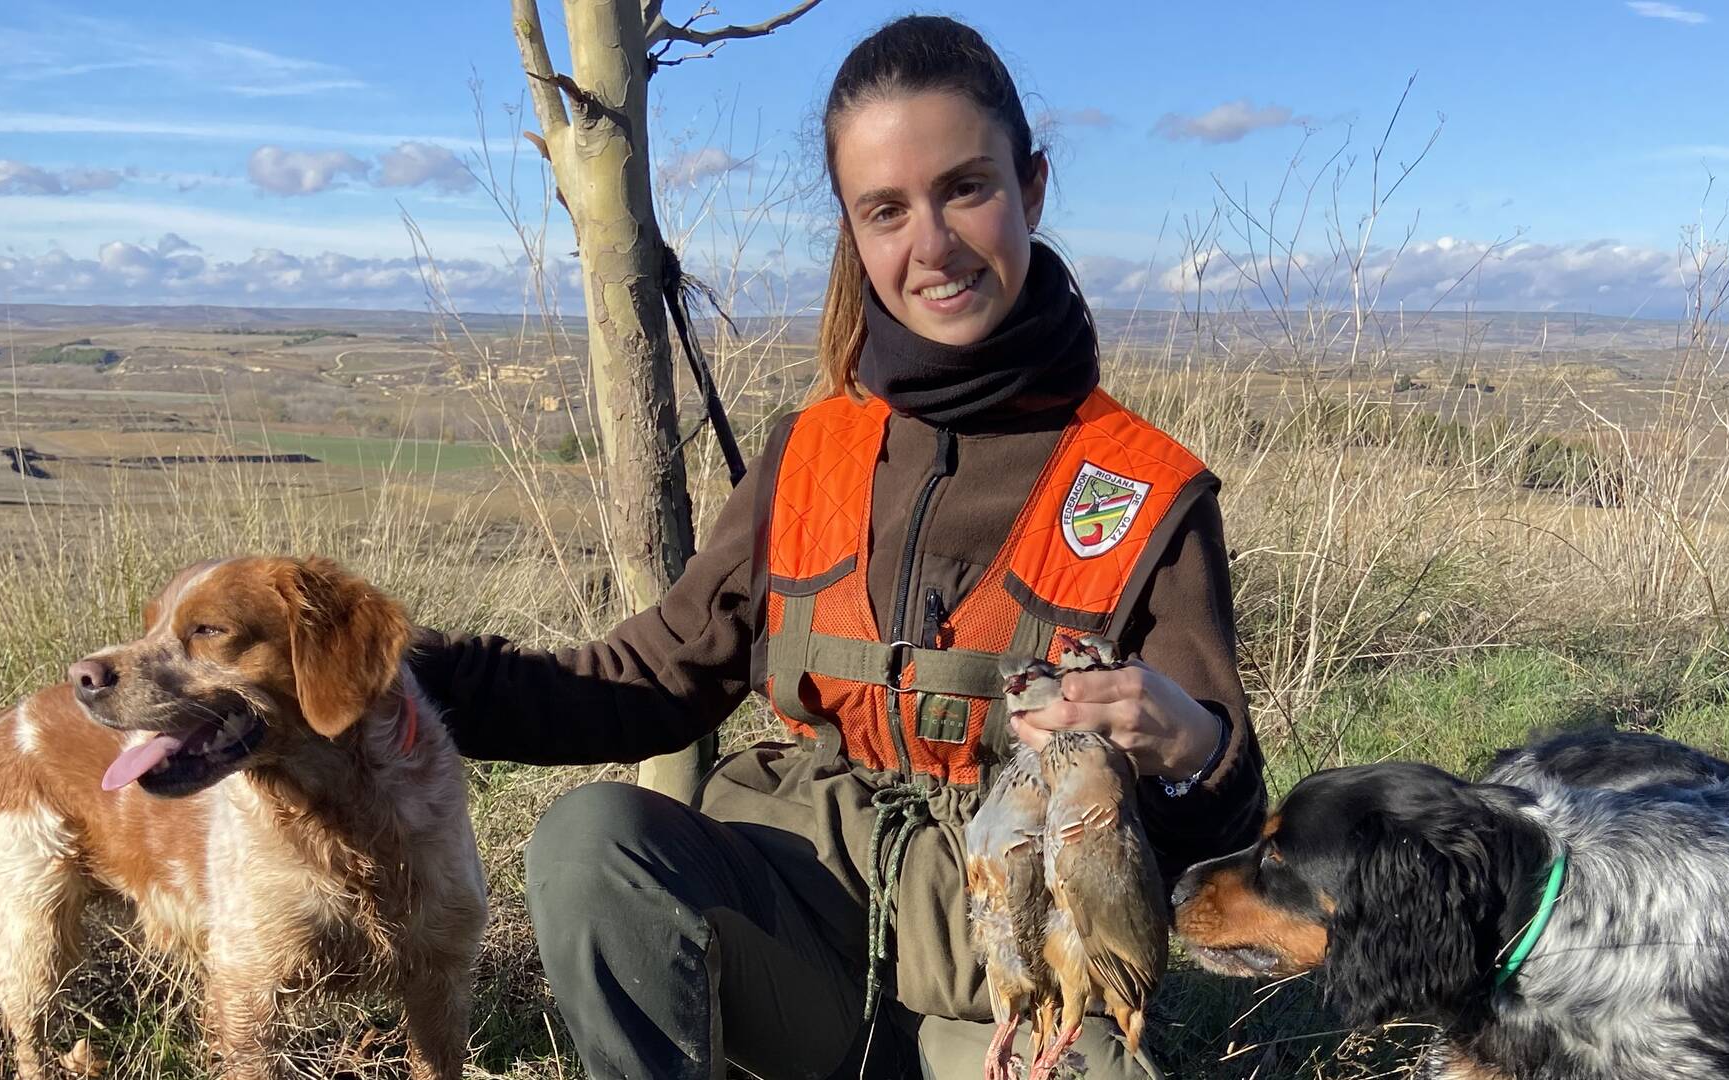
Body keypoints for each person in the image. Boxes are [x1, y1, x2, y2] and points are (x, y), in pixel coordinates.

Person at [411, 15, 1265, 1079]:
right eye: (887, 210)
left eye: (967, 188)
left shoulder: (1143, 491)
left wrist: (1189, 750)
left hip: (1013, 996)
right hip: (798, 945)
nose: (933, 244)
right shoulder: (810, 454)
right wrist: (401, 677)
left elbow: (1220, 835)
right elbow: (650, 679)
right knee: (591, 844)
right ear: (854, 234)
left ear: (1033, 188)